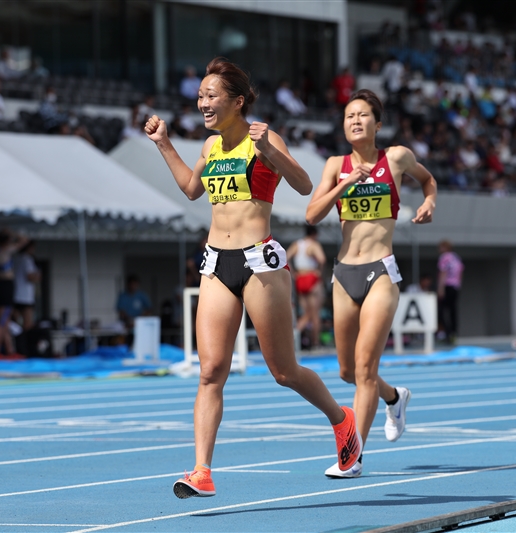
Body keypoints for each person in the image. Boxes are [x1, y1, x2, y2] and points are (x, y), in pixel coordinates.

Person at [144, 57, 361, 498]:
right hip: (215, 263)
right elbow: (191, 189)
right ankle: (201, 471)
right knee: (211, 372)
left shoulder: (263, 138)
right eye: (200, 95)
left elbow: (303, 187)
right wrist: (165, 143)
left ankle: (342, 420)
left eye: (211, 95)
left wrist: (272, 152)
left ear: (237, 101)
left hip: (259, 261)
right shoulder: (209, 147)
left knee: (283, 371)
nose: (202, 102)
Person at [305, 89, 437, 478]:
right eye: (349, 116)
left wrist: (430, 202)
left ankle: (353, 456)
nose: (356, 121)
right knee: (348, 371)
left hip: (381, 269)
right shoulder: (335, 164)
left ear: (377, 125)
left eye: (363, 115)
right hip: (343, 273)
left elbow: (429, 181)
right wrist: (346, 184)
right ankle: (394, 397)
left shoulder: (395, 157)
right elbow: (312, 215)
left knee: (364, 368)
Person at [286, 225, 326, 349]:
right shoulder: (314, 245)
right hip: (311, 277)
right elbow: (322, 259)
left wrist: (293, 273)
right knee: (314, 314)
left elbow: (285, 258)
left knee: (306, 312)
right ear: (315, 234)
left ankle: (297, 337)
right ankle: (315, 342)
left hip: (300, 278)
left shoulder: (296, 244)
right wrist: (319, 272)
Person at [0, 229, 28, 359]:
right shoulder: (5, 250)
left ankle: (10, 350)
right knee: (2, 320)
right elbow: (24, 241)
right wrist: (14, 234)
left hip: (1, 285)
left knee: (5, 320)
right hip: (4, 286)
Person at [436, 240, 464, 345]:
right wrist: (458, 285)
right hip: (455, 286)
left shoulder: (444, 257)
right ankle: (453, 332)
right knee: (453, 310)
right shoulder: (456, 257)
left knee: (441, 310)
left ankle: (447, 332)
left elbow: (443, 273)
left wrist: (440, 288)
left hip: (447, 285)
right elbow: (460, 272)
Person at [13, 240, 40, 331]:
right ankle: (26, 343)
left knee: (16, 323)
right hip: (25, 297)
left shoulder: (16, 258)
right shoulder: (27, 259)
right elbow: (30, 276)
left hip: (16, 295)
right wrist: (37, 275)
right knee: (28, 324)